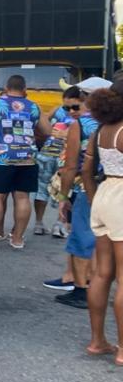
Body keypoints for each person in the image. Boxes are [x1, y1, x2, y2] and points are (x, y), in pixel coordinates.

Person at [81, 77, 123, 363]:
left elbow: (85, 170)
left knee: (102, 273)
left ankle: (98, 341)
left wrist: (95, 198)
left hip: (104, 194)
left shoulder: (101, 130)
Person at [0, 74, 47, 250]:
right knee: (23, 197)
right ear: (25, 90)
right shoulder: (34, 106)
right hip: (26, 158)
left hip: (1, 156)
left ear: (6, 88)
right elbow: (47, 130)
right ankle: (17, 239)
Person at [57, 78, 108, 307]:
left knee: (82, 237)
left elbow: (71, 166)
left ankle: (82, 289)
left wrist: (63, 195)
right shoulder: (114, 122)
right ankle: (100, 287)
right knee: (105, 241)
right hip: (115, 189)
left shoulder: (81, 125)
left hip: (88, 188)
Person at [33, 87, 80, 237]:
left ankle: (48, 224)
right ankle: (50, 224)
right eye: (66, 107)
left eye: (73, 106)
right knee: (56, 189)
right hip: (56, 155)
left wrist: (58, 132)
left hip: (56, 155)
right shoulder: (73, 114)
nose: (69, 110)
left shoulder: (62, 111)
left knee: (54, 189)